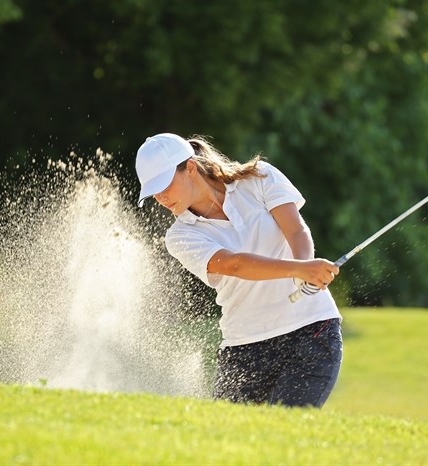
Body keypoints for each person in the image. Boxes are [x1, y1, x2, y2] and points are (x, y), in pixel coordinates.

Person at [135, 133, 343, 408]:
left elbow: (296, 230)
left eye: (165, 185)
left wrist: (304, 268)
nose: (161, 198)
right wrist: (300, 269)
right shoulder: (180, 235)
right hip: (244, 348)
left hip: (310, 333)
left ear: (191, 168)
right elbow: (235, 264)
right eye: (153, 192)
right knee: (227, 442)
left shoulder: (259, 178)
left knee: (286, 431)